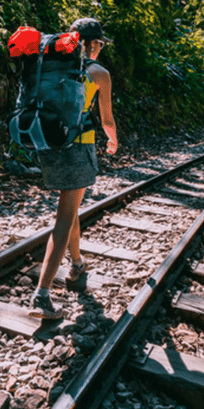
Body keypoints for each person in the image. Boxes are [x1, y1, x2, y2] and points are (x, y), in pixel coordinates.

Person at [29, 17, 118, 319]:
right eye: (100, 44)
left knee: (71, 203)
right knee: (65, 217)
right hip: (77, 147)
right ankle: (42, 295)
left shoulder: (52, 66)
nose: (101, 49)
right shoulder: (98, 73)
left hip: (47, 142)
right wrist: (114, 141)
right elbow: (106, 119)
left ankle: (77, 265)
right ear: (92, 44)